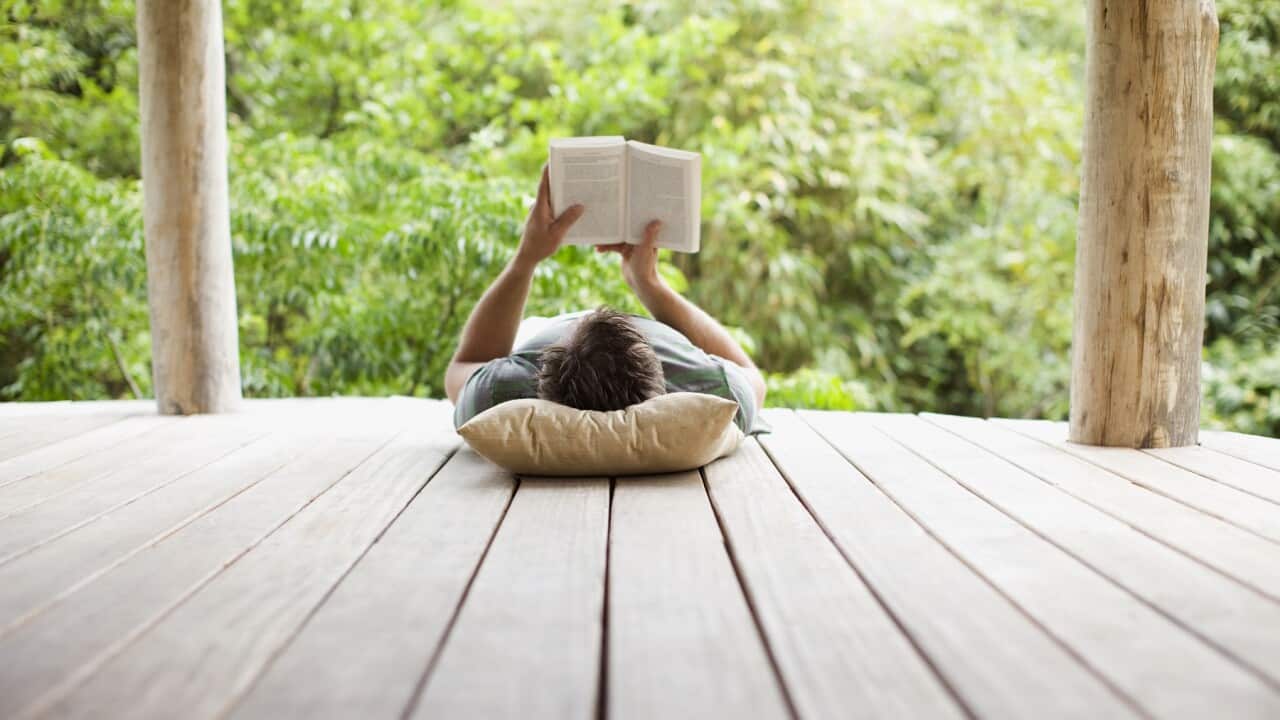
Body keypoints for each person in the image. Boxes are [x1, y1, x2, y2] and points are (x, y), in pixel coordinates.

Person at [445, 167, 766, 434]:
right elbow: (751, 376)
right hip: (652, 339)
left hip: (540, 331)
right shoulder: (717, 398)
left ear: (541, 379)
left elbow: (462, 366)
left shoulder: (503, 393)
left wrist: (526, 258)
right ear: (664, 379)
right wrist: (648, 283)